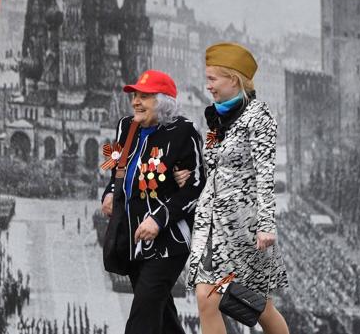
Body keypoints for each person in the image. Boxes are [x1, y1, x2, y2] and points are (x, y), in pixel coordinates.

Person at [175, 43, 290, 334]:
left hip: (243, 224)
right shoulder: (215, 118)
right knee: (206, 298)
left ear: (234, 80)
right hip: (213, 224)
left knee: (257, 305)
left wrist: (265, 224)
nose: (208, 85)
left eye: (213, 79)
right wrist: (193, 176)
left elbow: (265, 174)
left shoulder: (259, 118)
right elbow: (213, 165)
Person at [100, 70, 205, 334]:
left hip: (168, 243)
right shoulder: (126, 126)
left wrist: (158, 219)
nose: (135, 101)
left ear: (164, 102)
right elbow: (117, 169)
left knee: (142, 319)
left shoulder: (184, 132)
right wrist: (111, 192)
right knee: (162, 316)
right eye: (135, 95)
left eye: (144, 97)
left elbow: (195, 187)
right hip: (133, 239)